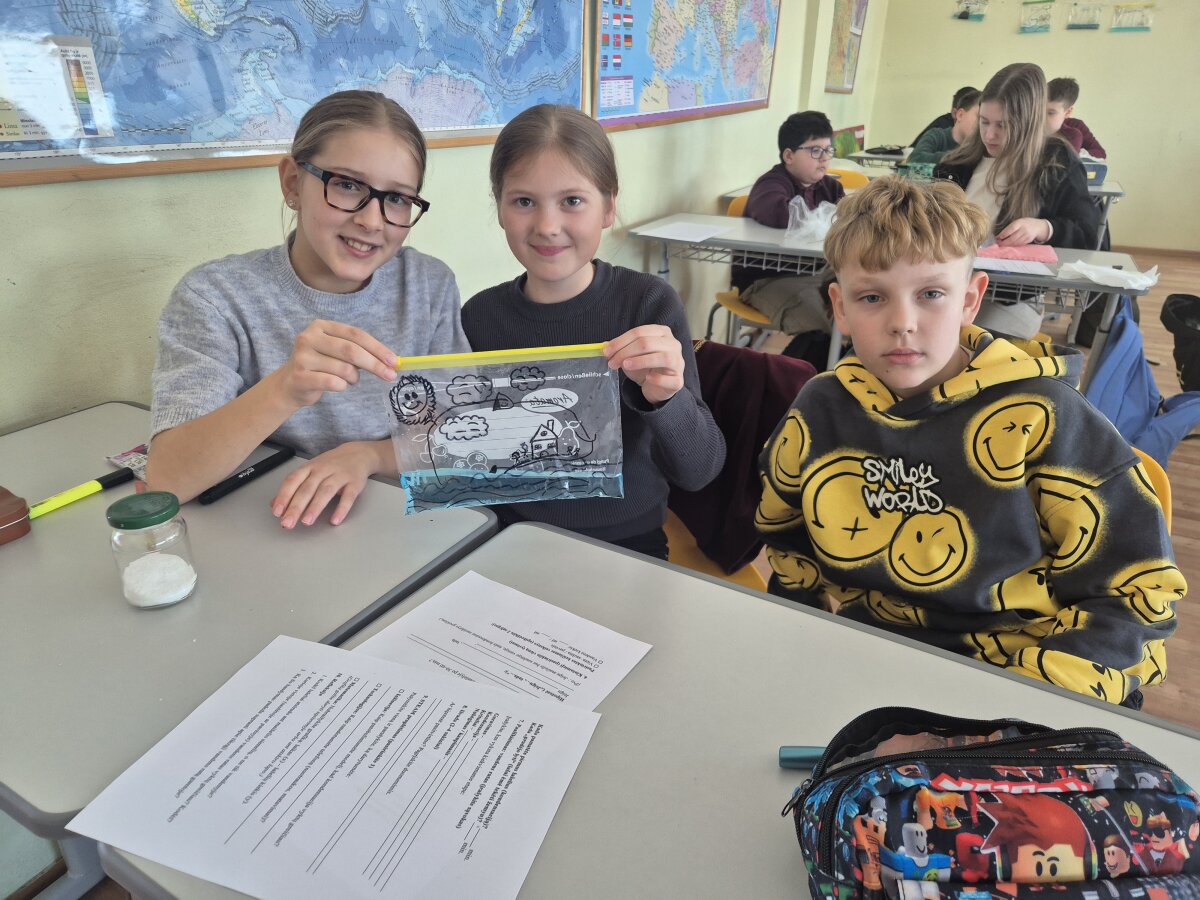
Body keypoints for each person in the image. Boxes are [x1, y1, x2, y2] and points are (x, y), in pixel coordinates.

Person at [755, 175, 1182, 707]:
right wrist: (801, 650)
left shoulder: (1046, 418)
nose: (902, 323)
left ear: (970, 299)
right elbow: (789, 548)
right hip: (870, 661)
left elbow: (1134, 593)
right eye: (872, 297)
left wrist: (1028, 705)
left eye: (931, 294)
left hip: (1025, 674)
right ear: (840, 307)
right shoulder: (819, 409)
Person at [147, 90, 469, 528]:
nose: (371, 221)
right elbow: (168, 479)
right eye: (348, 185)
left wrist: (369, 456)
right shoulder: (215, 297)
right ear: (293, 183)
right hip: (267, 523)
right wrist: (284, 389)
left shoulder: (429, 285)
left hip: (398, 523)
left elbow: (458, 434)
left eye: (397, 198)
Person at [460, 104, 725, 559]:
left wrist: (667, 397)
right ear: (499, 209)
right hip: (507, 535)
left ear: (609, 207)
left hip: (627, 540)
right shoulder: (479, 316)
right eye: (524, 201)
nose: (547, 226)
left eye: (572, 201)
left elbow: (699, 470)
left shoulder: (648, 305)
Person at [936, 63, 1099, 338]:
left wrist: (1043, 227)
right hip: (947, 283)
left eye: (1003, 125)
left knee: (970, 343)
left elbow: (1087, 234)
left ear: (1029, 123)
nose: (990, 135)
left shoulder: (1057, 162)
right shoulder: (957, 164)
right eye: (984, 122)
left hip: (1009, 296)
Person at [733, 111, 845, 361]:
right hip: (767, 279)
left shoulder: (831, 187)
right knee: (821, 325)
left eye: (828, 150)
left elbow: (848, 224)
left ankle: (842, 369)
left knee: (858, 309)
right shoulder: (771, 184)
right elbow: (780, 214)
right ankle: (798, 378)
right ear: (789, 156)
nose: (824, 158)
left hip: (815, 275)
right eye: (815, 150)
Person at [907, 89, 980, 165]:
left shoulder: (982, 147)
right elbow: (915, 159)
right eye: (979, 117)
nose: (982, 124)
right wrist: (958, 156)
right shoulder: (937, 136)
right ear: (960, 115)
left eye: (985, 120)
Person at [1047, 77, 1106, 158]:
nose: (1042, 117)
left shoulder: (1076, 127)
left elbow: (1100, 153)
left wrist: (1074, 153)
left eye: (1050, 113)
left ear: (1068, 112)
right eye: (1039, 110)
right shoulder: (1032, 124)